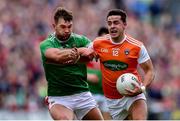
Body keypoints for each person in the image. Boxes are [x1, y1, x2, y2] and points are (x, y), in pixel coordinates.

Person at [89, 9, 155, 120]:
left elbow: (150, 71)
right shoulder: (98, 43)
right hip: (112, 101)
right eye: (109, 23)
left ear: (124, 24)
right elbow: (82, 55)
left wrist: (142, 88)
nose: (112, 26)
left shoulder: (137, 46)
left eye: (116, 22)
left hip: (133, 94)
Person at [39, 7, 103, 120]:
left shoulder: (81, 40)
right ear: (54, 26)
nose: (67, 30)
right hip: (59, 97)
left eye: (69, 26)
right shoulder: (46, 44)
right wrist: (80, 51)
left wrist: (86, 52)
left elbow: (92, 51)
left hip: (82, 93)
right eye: (63, 27)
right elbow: (57, 56)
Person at [87, 27, 111, 120]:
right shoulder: (90, 54)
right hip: (91, 94)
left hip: (107, 95)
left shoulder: (112, 56)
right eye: (102, 38)